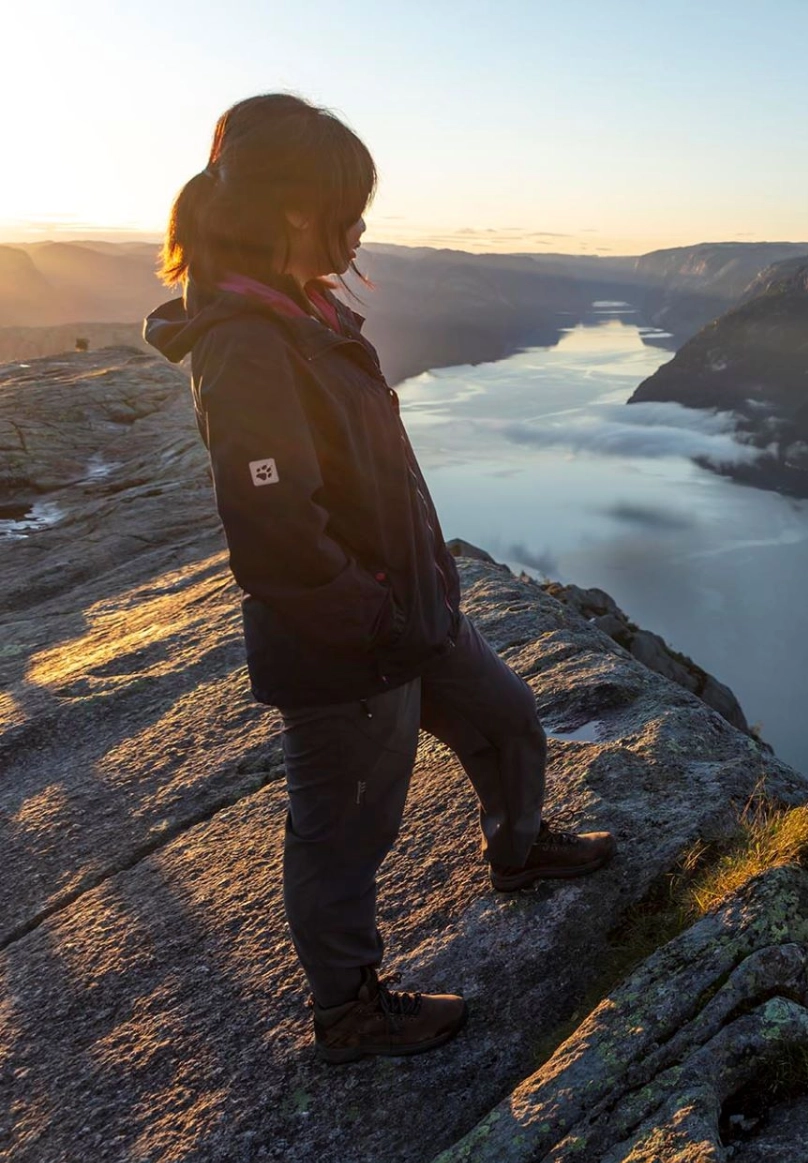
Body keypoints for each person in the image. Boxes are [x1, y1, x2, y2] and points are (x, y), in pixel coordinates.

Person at [144, 95, 615, 1065]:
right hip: (347, 644)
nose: (361, 229)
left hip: (408, 611)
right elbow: (274, 530)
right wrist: (371, 620)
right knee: (346, 830)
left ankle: (518, 850)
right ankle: (350, 1010)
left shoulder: (300, 310)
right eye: (347, 209)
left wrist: (420, 598)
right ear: (288, 212)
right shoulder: (246, 344)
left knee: (507, 718)